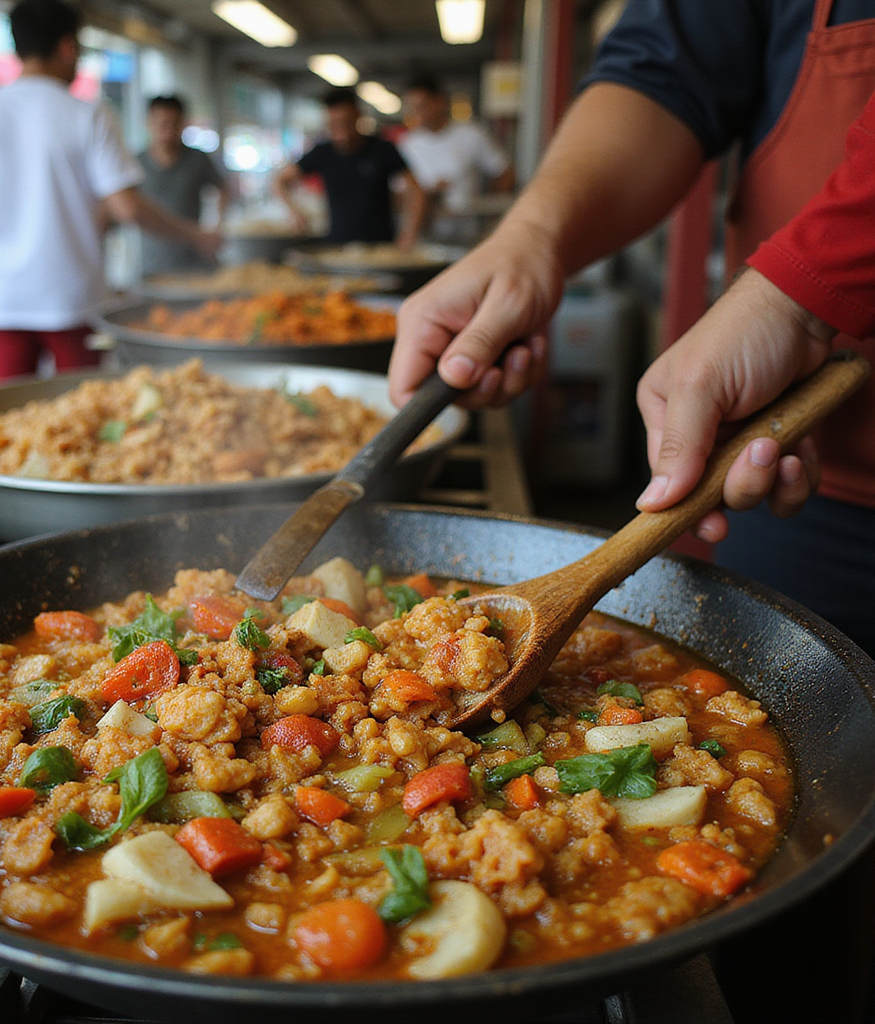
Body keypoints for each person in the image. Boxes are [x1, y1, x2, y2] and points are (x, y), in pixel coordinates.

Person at [390, 0, 875, 652]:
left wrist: (797, 296)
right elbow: (663, 71)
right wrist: (533, 237)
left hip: (784, 391)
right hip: (781, 454)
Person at [0, 0, 220, 382]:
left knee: (9, 415)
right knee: (80, 416)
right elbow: (127, 208)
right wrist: (196, 235)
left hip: (2, 299)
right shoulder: (87, 114)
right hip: (72, 297)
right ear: (68, 47)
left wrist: (7, 207)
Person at [274, 88, 425, 248]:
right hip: (336, 247)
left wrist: (410, 233)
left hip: (380, 248)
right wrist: (294, 213)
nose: (342, 134)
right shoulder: (322, 152)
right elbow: (279, 181)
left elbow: (416, 191)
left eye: (346, 123)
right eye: (334, 125)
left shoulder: (383, 150)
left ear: (357, 116)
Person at [399, 74, 514, 241]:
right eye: (412, 107)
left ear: (440, 102)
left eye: (422, 106)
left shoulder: (472, 135)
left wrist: (490, 214)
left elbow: (505, 173)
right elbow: (399, 192)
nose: (417, 113)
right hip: (425, 237)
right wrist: (425, 195)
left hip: (469, 234)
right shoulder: (407, 144)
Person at [136, 94, 229, 279]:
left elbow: (223, 188)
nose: (168, 130)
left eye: (174, 123)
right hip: (151, 264)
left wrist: (216, 225)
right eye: (162, 123)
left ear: (183, 124)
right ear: (149, 123)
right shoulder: (135, 163)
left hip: (194, 260)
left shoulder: (198, 159)